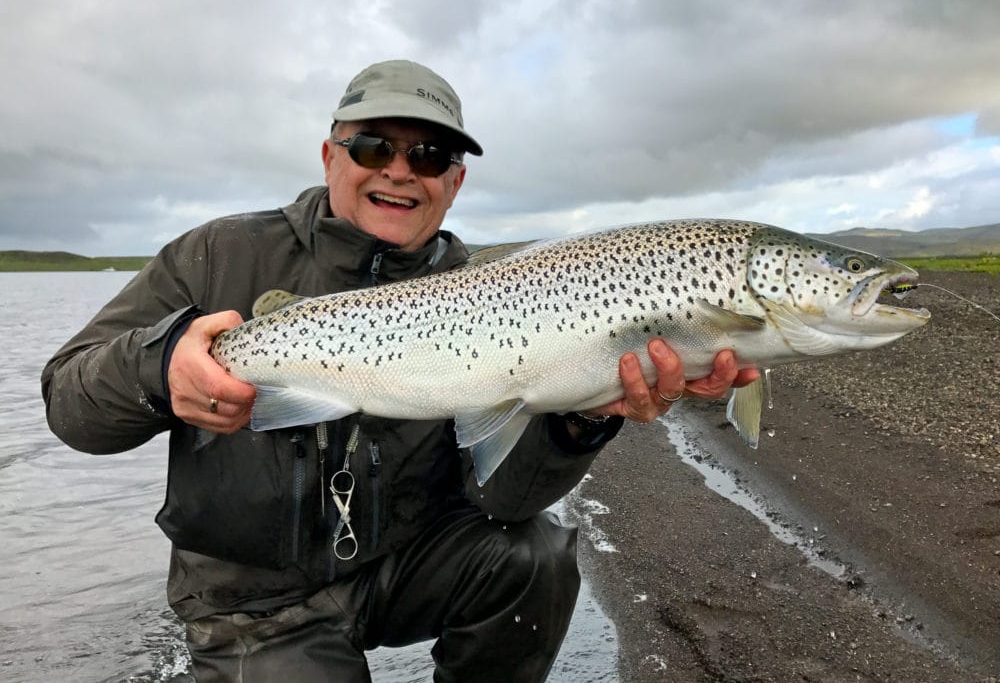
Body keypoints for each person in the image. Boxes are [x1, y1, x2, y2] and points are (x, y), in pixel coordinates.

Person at [41, 59, 756, 682]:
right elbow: (70, 406)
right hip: (252, 605)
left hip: (405, 564)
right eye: (374, 145)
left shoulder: (491, 291)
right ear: (329, 157)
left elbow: (503, 500)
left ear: (455, 182)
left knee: (535, 555)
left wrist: (583, 416)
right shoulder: (218, 255)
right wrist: (160, 366)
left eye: (431, 156)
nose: (399, 170)